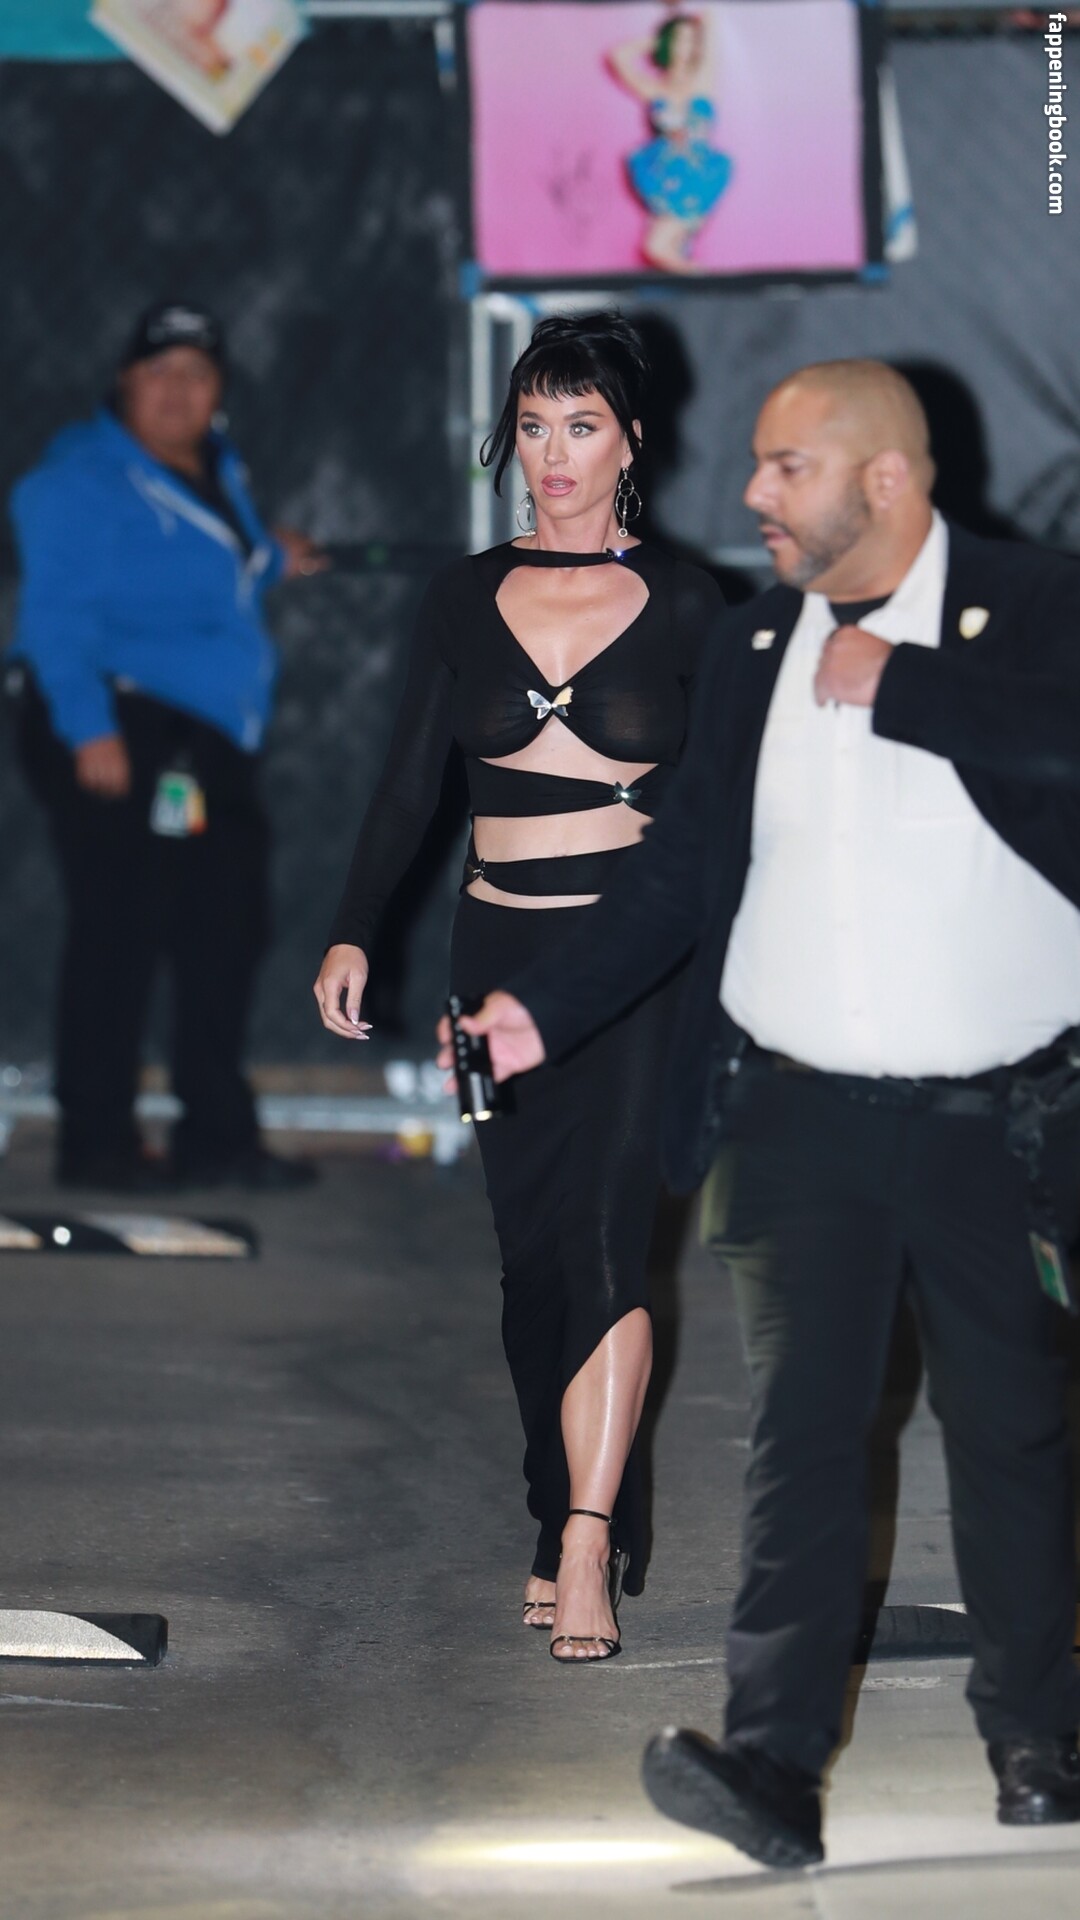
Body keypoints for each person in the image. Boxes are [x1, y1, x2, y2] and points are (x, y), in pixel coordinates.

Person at [454, 360, 1080, 1854]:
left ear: (886, 480)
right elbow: (677, 870)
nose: (751, 494)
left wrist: (904, 687)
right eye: (755, 463)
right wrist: (544, 1008)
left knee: (1010, 1434)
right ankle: (773, 1769)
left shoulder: (1035, 605)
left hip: (998, 1127)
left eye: (787, 467)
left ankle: (1037, 1741)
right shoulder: (750, 644)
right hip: (795, 1123)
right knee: (800, 1440)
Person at [315, 312, 724, 1661]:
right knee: (529, 1263)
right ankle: (557, 1506)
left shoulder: (690, 603)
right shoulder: (460, 595)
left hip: (637, 971)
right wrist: (355, 929)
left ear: (631, 443)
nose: (555, 454)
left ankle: (590, 1540)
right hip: (492, 961)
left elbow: (731, 811)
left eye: (582, 426)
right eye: (535, 425)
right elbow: (405, 786)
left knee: (606, 1241)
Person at [9, 299, 325, 1192]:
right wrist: (90, 730)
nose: (178, 389)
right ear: (125, 382)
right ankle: (96, 1144)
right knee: (120, 931)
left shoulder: (215, 466)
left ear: (218, 388)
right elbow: (53, 618)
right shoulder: (77, 480)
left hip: (202, 739)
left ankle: (215, 1137)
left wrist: (269, 554)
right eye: (159, 372)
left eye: (197, 372)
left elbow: (199, 565)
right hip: (119, 724)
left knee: (222, 929)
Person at [609, 9, 732, 275]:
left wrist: (686, 13)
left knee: (656, 247)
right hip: (664, 179)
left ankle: (708, 282)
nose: (685, 46)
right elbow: (619, 56)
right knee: (672, 253)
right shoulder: (655, 88)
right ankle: (701, 283)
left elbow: (710, 21)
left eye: (691, 40)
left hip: (697, 176)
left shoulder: (702, 80)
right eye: (679, 39)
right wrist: (657, 41)